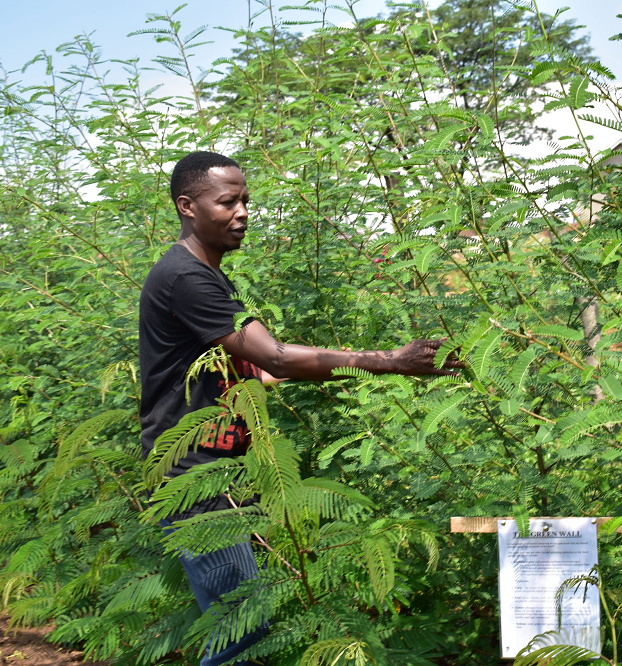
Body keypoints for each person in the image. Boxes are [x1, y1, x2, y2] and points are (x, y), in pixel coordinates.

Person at [138, 150, 459, 665]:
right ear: (187, 206)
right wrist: (390, 362)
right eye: (227, 202)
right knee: (238, 633)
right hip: (193, 476)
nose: (243, 212)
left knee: (246, 624)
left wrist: (341, 375)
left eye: (246, 200)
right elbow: (277, 358)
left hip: (220, 471)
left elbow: (256, 369)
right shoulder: (187, 278)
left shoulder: (207, 275)